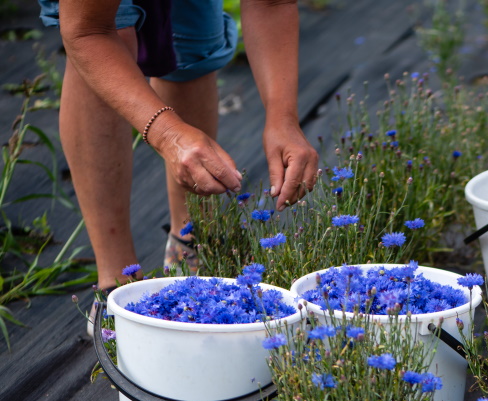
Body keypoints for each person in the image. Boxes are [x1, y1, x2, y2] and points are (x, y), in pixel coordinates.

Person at [40, 0, 318, 299]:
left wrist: (283, 119)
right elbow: (86, 31)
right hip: (92, 24)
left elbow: (271, 3)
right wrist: (168, 133)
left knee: (193, 38)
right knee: (116, 31)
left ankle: (188, 245)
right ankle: (116, 279)